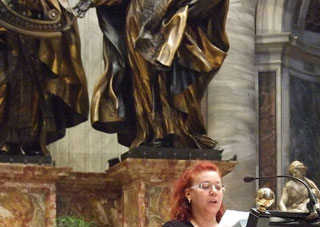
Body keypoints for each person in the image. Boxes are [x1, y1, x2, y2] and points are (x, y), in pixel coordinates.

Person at [73, 0, 229, 149]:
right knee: (145, 82)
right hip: (139, 23)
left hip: (175, 24)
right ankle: (153, 133)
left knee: (179, 82)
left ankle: (184, 132)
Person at [0, 1, 89, 155]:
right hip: (6, 48)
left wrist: (39, 11)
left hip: (34, 48)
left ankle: (33, 141)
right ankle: (6, 141)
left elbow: (57, 16)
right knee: (6, 90)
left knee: (36, 94)